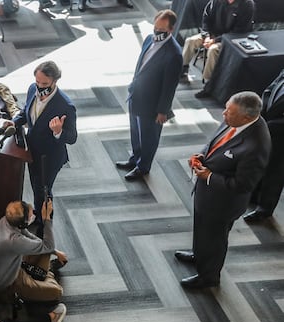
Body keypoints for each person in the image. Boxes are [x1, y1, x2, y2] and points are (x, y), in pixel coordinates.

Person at [176, 91, 271, 288]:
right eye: (226, 108)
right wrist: (202, 156)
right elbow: (215, 143)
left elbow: (244, 185)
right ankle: (199, 255)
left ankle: (209, 276)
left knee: (215, 238)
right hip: (206, 194)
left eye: (229, 112)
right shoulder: (235, 120)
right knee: (202, 229)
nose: (224, 114)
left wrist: (209, 176)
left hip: (222, 203)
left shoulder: (257, 145)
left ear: (246, 117)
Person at [115, 10, 182, 181]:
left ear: (171, 30)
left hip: (153, 105)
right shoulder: (148, 40)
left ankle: (143, 166)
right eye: (156, 28)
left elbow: (170, 86)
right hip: (136, 95)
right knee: (135, 132)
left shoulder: (174, 54)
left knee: (149, 137)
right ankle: (135, 159)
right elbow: (141, 66)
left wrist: (162, 111)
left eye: (162, 30)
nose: (157, 32)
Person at [13, 61, 77, 220]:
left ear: (55, 81)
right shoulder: (32, 89)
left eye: (45, 83)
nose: (40, 87)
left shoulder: (65, 106)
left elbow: (72, 138)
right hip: (32, 151)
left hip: (49, 157)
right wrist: (13, 121)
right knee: (36, 185)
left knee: (44, 189)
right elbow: (25, 112)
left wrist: (58, 132)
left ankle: (45, 221)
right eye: (38, 82)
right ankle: (38, 211)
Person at [0, 200, 67, 301]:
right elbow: (48, 245)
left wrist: (54, 251)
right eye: (31, 215)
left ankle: (43, 271)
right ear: (23, 224)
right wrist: (46, 219)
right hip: (6, 283)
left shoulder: (7, 220)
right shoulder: (13, 240)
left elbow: (32, 238)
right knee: (57, 291)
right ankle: (47, 272)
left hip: (10, 266)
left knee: (45, 249)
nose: (34, 214)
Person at [185, 0, 255, 98]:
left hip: (230, 39)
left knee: (213, 50)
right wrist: (206, 36)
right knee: (190, 41)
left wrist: (215, 41)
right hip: (212, 35)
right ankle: (182, 70)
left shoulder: (247, 4)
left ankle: (208, 85)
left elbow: (239, 30)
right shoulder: (215, 1)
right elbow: (206, 18)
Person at [245, 99, 284, 222]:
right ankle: (254, 196)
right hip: (270, 125)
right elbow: (271, 90)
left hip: (280, 130)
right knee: (262, 163)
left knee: (276, 171)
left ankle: (264, 208)